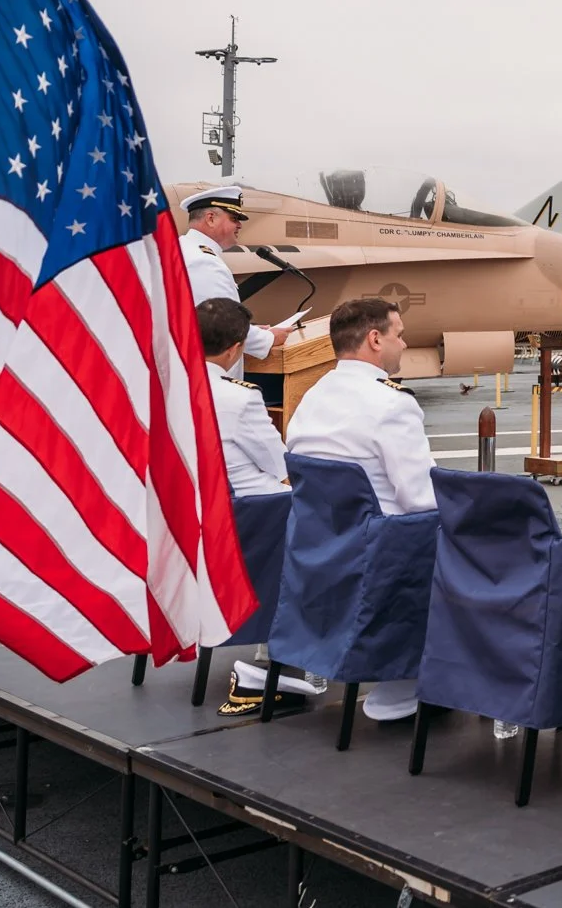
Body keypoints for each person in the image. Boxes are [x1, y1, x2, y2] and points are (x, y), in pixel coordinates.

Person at [278, 297, 441, 722]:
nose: (403, 345)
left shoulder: (312, 397)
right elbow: (420, 498)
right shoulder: (393, 403)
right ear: (374, 339)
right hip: (384, 552)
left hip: (320, 549)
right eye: (398, 335)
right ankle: (428, 673)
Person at [178, 187, 289, 361]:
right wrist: (269, 338)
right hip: (206, 377)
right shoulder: (203, 262)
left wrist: (248, 328)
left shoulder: (184, 249)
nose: (239, 225)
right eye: (234, 218)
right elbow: (220, 324)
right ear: (211, 218)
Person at [196, 299, 288, 498]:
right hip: (247, 504)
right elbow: (278, 463)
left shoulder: (164, 387)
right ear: (233, 349)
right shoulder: (241, 397)